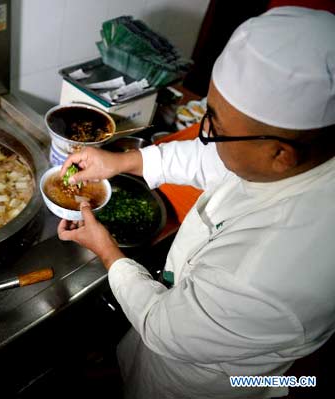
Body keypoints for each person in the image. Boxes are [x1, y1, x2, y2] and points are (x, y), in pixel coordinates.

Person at [57, 6, 335, 399]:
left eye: (215, 126)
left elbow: (162, 326)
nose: (206, 135)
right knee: (135, 360)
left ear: (280, 154)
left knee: (168, 384)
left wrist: (105, 250)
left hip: (215, 379)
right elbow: (220, 160)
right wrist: (124, 160)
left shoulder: (266, 272)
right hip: (193, 331)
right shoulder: (301, 154)